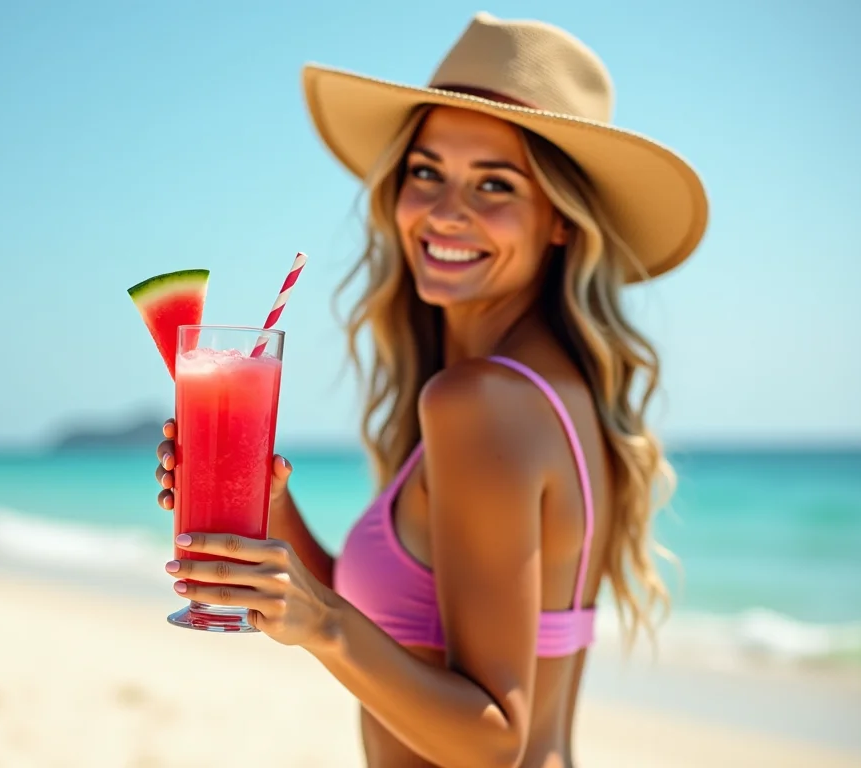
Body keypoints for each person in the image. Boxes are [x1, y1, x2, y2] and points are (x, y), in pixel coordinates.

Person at [153, 12, 708, 768]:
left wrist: (320, 624)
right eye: (426, 171)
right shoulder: (546, 389)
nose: (448, 210)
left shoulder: (482, 402)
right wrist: (263, 505)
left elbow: (495, 739)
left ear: (561, 222)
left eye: (495, 184)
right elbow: (401, 627)